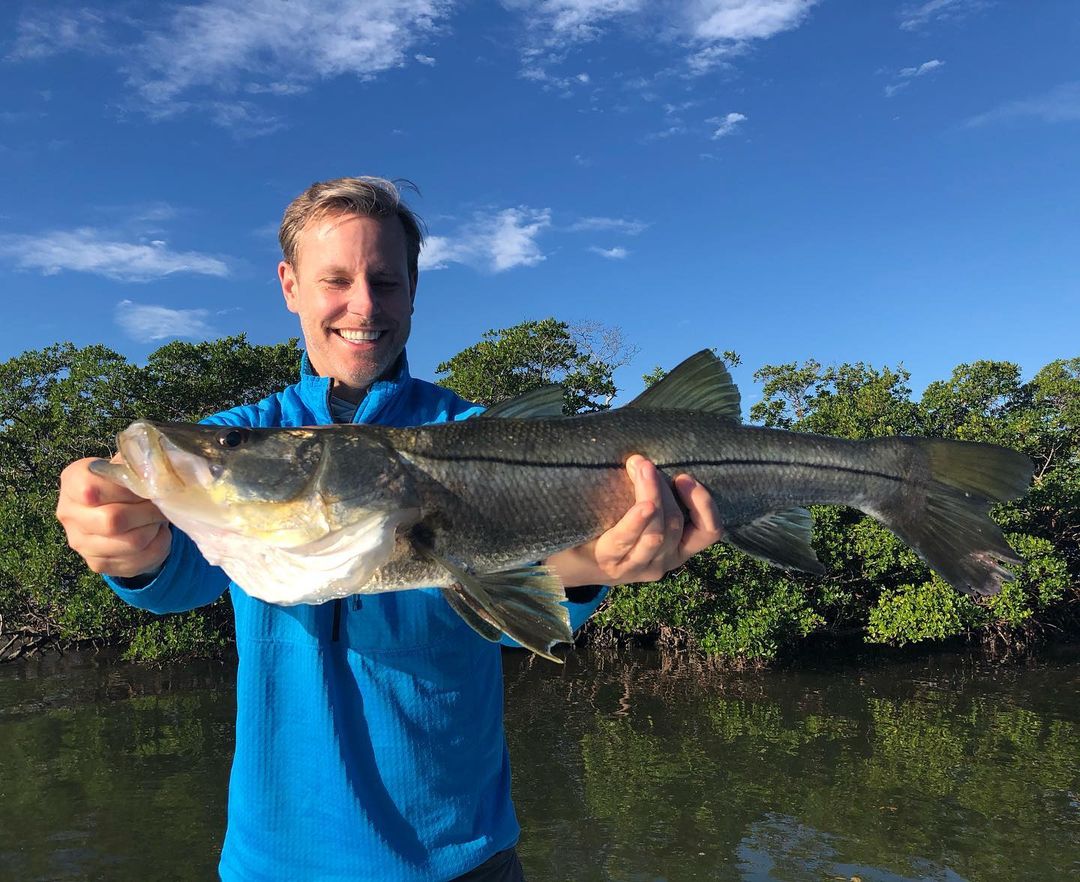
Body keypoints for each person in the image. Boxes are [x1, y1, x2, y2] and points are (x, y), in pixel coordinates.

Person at [56, 177, 723, 881]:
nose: (363, 305)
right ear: (289, 285)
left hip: (465, 859)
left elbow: (502, 624)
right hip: (274, 864)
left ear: (413, 289)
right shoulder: (240, 438)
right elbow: (175, 579)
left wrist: (593, 568)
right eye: (335, 279)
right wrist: (121, 537)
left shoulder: (467, 433)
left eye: (386, 280)